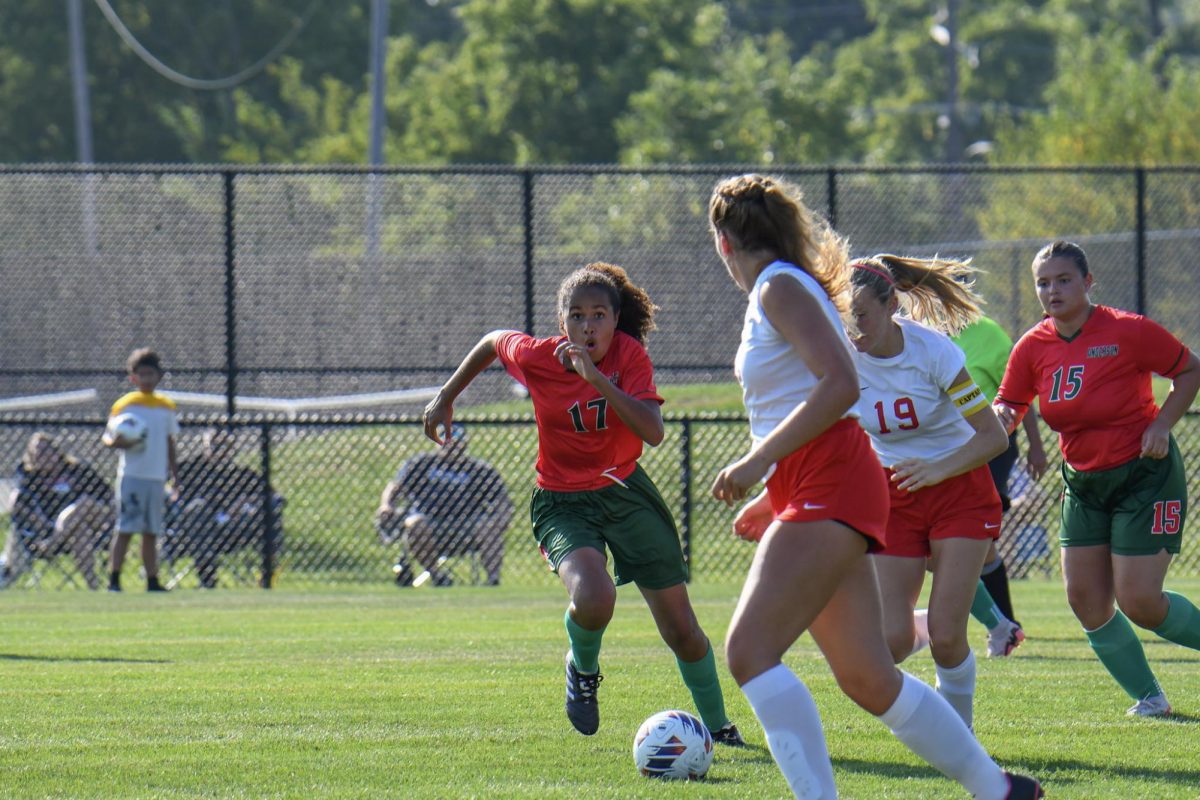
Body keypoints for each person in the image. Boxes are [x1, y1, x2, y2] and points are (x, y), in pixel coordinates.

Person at [708, 173, 1042, 799]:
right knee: (870, 675)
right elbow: (805, 395)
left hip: (832, 480)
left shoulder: (779, 286)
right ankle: (1000, 791)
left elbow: (840, 387)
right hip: (823, 480)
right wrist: (772, 489)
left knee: (749, 652)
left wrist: (758, 462)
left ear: (723, 241)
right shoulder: (786, 287)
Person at [422, 261, 745, 747]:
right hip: (563, 502)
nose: (587, 325)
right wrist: (446, 396)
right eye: (576, 315)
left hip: (626, 494)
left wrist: (596, 378)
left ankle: (719, 728)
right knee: (594, 598)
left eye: (598, 315)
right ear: (562, 323)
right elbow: (494, 340)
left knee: (682, 629)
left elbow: (653, 432)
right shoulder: (539, 357)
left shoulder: (629, 357)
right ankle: (583, 669)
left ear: (615, 322)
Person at [994, 239, 1200, 717]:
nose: (1052, 290)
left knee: (1141, 601)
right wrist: (995, 416)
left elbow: (1190, 370)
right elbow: (1011, 403)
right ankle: (1150, 699)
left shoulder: (1128, 330)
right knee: (1085, 600)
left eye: (1064, 280)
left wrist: (1162, 424)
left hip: (1144, 478)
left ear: (1088, 282)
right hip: (1083, 484)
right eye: (1043, 283)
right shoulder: (1032, 346)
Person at [846, 254, 1011, 731]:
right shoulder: (839, 355)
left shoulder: (932, 352)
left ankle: (958, 736)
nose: (853, 327)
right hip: (894, 492)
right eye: (843, 315)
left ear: (891, 304)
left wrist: (937, 470)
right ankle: (926, 628)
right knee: (891, 642)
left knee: (946, 634)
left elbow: (993, 437)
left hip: (959, 487)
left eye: (861, 313)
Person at [952, 313, 1049, 657]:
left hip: (991, 448)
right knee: (965, 547)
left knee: (973, 541)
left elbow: (1022, 393)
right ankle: (1003, 625)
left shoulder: (989, 335)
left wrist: (1036, 447)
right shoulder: (915, 334)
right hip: (942, 452)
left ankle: (1001, 624)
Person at [375, 422, 512, 587]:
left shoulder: (479, 470)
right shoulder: (420, 464)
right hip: (429, 524)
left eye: (456, 441)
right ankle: (438, 576)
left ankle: (492, 580)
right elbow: (395, 487)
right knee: (414, 523)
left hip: (468, 526)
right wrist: (386, 505)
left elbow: (502, 500)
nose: (451, 445)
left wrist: (501, 519)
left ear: (464, 443)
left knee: (489, 526)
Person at [166, 429, 284, 589]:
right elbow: (165, 490)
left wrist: (245, 501)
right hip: (191, 531)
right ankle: (207, 581)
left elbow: (276, 497)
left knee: (270, 513)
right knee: (198, 509)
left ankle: (267, 576)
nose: (220, 450)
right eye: (215, 445)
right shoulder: (188, 469)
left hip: (231, 531)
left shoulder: (241, 475)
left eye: (225, 446)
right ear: (205, 445)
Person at [103, 348, 179, 593]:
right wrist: (117, 443)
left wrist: (174, 474)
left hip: (155, 477)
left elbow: (170, 442)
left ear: (159, 376)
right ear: (133, 377)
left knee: (151, 531)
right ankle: (114, 579)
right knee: (125, 528)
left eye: (151, 374)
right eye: (141, 374)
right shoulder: (125, 406)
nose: (146, 379)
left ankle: (152, 580)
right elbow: (108, 437)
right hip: (132, 477)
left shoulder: (165, 407)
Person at [1, 433, 113, 590]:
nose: (42, 456)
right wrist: (40, 526)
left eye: (46, 451)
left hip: (97, 525)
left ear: (57, 452)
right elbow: (20, 506)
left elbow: (108, 496)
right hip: (59, 532)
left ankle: (53, 542)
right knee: (79, 532)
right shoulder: (30, 479)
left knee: (85, 503)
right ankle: (94, 587)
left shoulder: (77, 470)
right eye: (37, 453)